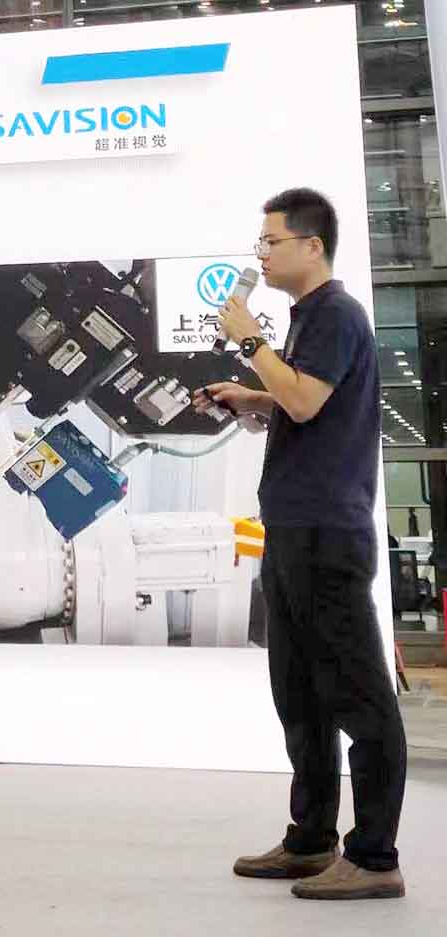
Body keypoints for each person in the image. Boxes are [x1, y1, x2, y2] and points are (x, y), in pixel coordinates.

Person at [194, 188, 407, 900]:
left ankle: (374, 857)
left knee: (359, 698)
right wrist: (253, 396)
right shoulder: (309, 320)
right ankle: (311, 839)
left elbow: (308, 401)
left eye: (271, 241)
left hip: (325, 531)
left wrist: (250, 341)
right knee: (301, 695)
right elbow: (302, 399)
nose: (260, 253)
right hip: (292, 527)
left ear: (312, 246)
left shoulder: (336, 313)